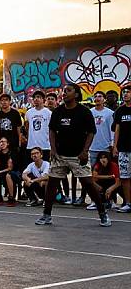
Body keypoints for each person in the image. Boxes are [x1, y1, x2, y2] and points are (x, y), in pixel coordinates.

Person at [35, 83, 111, 227]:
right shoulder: (58, 111)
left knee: (88, 184)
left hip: (78, 155)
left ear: (76, 95)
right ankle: (46, 215)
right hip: (60, 155)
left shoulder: (84, 112)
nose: (64, 93)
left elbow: (91, 132)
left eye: (68, 91)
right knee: (52, 184)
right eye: (64, 91)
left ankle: (102, 212)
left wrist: (85, 151)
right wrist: (53, 149)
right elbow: (52, 131)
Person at [113, 84, 131, 213]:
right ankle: (128, 203)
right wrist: (115, 146)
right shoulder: (120, 111)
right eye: (124, 92)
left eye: (128, 92)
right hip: (123, 149)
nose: (126, 94)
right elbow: (117, 130)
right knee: (125, 177)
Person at [0, 137, 18, 206]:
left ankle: (11, 198)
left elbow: (10, 168)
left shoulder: (11, 152)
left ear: (8, 144)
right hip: (2, 171)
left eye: (4, 142)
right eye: (0, 142)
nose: (2, 143)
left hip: (13, 172)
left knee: (8, 175)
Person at [24, 90, 51, 162]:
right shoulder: (28, 112)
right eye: (34, 98)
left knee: (45, 168)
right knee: (31, 168)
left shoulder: (48, 113)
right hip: (31, 145)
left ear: (43, 100)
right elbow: (27, 127)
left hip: (45, 146)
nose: (36, 99)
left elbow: (51, 129)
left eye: (38, 97)